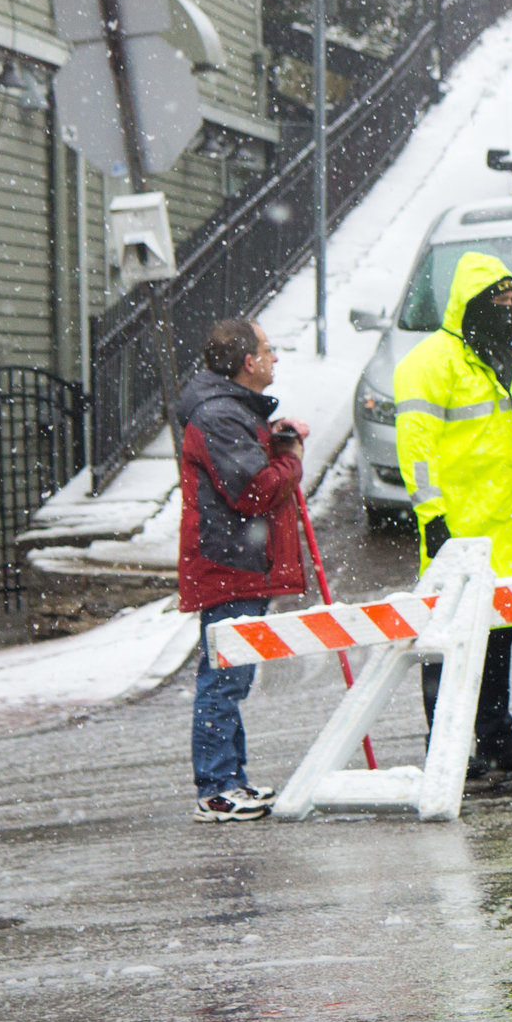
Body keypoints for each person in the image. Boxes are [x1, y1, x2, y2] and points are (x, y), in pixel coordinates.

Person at [394, 250, 512, 774]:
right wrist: (433, 515)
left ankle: (495, 737)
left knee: (498, 639)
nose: (507, 309)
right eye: (498, 300)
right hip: (461, 530)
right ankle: (445, 746)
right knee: (448, 641)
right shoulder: (429, 365)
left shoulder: (509, 361)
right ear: (470, 304)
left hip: (507, 527)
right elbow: (415, 449)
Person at [177, 318, 307, 821]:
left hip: (236, 561)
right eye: (269, 350)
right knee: (224, 678)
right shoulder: (218, 415)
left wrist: (273, 443)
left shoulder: (228, 411)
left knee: (231, 676)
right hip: (228, 563)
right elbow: (253, 490)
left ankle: (231, 779)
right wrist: (290, 458)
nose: (275, 358)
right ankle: (216, 787)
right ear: (248, 361)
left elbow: (248, 471)